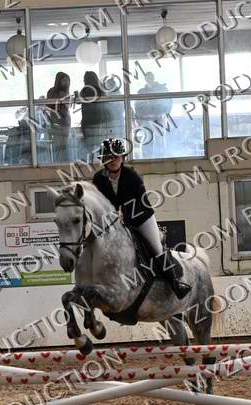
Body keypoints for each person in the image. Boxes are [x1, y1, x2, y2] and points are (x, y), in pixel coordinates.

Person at [91, 138, 190, 299]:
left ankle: (176, 283)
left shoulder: (131, 175)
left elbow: (142, 201)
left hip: (141, 217)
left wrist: (125, 215)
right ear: (103, 159)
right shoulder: (98, 179)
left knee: (156, 247)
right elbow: (98, 202)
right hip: (113, 222)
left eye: (116, 156)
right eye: (109, 157)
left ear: (123, 158)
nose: (113, 160)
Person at [133, 73, 171, 157]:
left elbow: (169, 101)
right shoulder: (141, 91)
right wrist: (138, 118)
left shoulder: (162, 89)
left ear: (153, 78)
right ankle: (146, 159)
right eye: (147, 78)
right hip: (146, 119)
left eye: (150, 77)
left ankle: (161, 158)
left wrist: (166, 113)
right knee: (147, 139)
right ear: (145, 79)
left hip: (158, 117)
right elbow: (137, 106)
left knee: (159, 139)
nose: (149, 79)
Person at [79, 71, 108, 158]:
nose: (83, 80)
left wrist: (77, 95)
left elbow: (80, 101)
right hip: (100, 121)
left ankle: (91, 161)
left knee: (90, 146)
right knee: (99, 144)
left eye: (85, 79)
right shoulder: (101, 89)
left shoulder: (88, 89)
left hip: (89, 122)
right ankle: (99, 161)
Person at [45, 72, 72, 161]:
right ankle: (59, 163)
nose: (66, 82)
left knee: (65, 146)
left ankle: (63, 163)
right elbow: (48, 106)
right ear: (58, 80)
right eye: (64, 80)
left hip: (65, 122)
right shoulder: (52, 91)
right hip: (56, 122)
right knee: (58, 145)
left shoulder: (65, 92)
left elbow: (68, 106)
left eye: (67, 80)